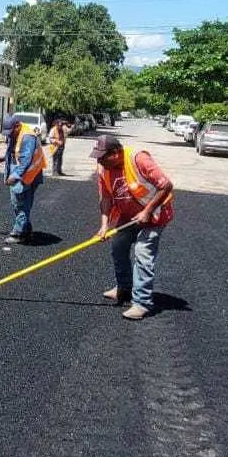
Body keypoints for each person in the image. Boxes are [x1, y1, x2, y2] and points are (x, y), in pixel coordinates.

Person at [90, 134, 175, 320]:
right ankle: (124, 288)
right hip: (127, 216)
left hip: (155, 215)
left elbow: (166, 185)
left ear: (116, 153)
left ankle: (142, 303)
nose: (100, 161)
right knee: (118, 246)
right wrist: (104, 225)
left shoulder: (138, 159)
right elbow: (105, 198)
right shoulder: (103, 169)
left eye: (103, 157)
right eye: (98, 156)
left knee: (143, 253)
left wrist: (147, 211)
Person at [0, 114, 48, 244]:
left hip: (29, 174)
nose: (9, 135)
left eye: (11, 131)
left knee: (20, 204)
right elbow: (14, 151)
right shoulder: (15, 134)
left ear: (17, 126)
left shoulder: (27, 137)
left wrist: (14, 176)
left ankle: (19, 233)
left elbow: (25, 161)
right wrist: (3, 158)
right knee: (22, 204)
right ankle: (26, 229)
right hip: (23, 172)